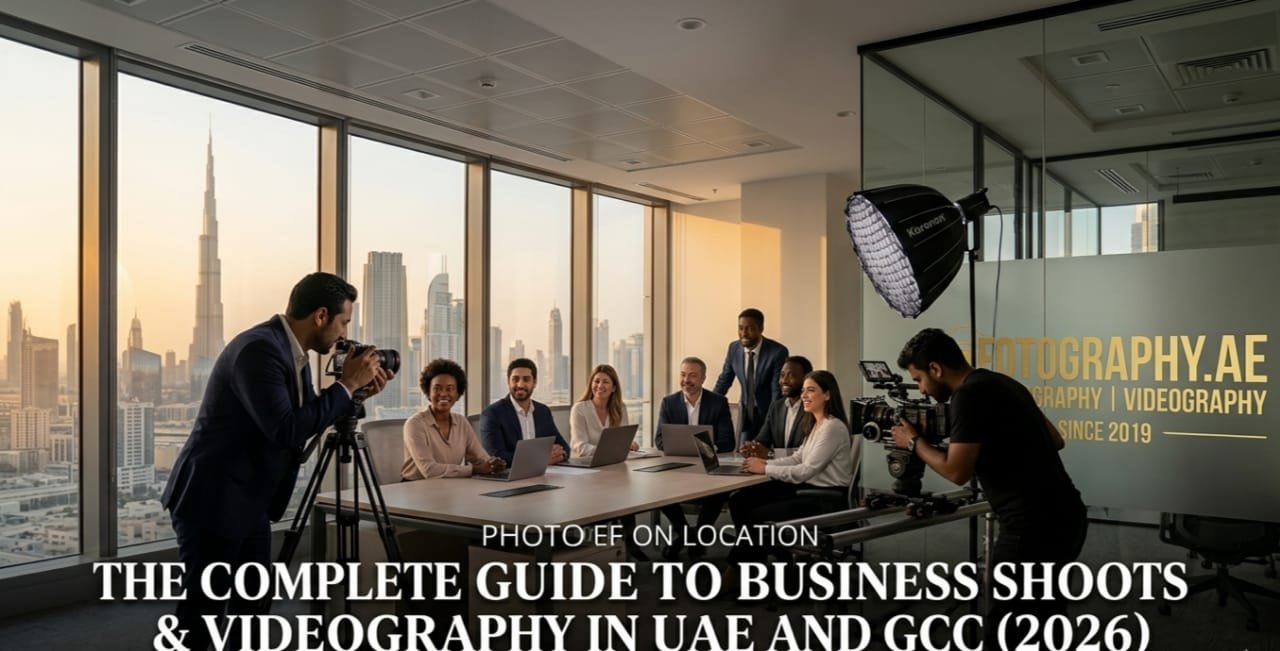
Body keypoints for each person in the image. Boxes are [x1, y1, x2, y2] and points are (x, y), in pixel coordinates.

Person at [161, 272, 391, 651]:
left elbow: (310, 419)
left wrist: (357, 394)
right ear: (320, 315)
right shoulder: (260, 350)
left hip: (248, 500)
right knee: (201, 618)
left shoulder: (292, 353)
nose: (344, 334)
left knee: (250, 609)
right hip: (214, 500)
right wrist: (345, 386)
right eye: (343, 321)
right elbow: (285, 429)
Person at [889, 328, 1086, 646]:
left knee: (1007, 630)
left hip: (1030, 526)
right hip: (1067, 517)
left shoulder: (968, 395)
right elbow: (1055, 440)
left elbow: (956, 471)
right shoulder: (1002, 382)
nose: (921, 390)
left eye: (918, 379)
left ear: (936, 369)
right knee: (1044, 622)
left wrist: (914, 442)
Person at [732, 370, 856, 562]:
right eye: (804, 390)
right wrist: (765, 462)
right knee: (739, 500)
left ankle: (746, 564)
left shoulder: (833, 427)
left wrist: (765, 469)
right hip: (806, 488)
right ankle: (764, 556)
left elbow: (805, 471)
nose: (804, 395)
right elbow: (798, 458)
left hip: (823, 497)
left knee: (755, 517)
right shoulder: (817, 424)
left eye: (811, 390)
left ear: (827, 395)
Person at [656, 356, 735, 559]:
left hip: (709, 466)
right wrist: (684, 448)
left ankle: (699, 535)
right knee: (658, 491)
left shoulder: (718, 402)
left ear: (703, 379)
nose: (686, 380)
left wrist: (702, 448)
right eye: (683, 375)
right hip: (678, 466)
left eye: (692, 375)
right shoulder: (669, 402)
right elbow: (659, 440)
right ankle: (686, 534)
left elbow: (728, 442)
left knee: (718, 492)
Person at [402, 359, 505, 479]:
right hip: (415, 489)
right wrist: (474, 469)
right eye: (437, 388)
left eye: (450, 389)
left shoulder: (461, 422)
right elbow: (429, 470)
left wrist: (492, 464)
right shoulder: (415, 424)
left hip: (450, 486)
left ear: (457, 394)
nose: (443, 394)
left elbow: (480, 458)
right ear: (428, 392)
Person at [713, 308, 789, 442]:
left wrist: (770, 423)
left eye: (749, 328)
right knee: (743, 454)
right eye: (741, 328)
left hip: (768, 413)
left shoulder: (777, 352)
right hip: (745, 414)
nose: (744, 333)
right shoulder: (734, 348)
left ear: (761, 328)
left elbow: (777, 392)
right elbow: (724, 381)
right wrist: (710, 406)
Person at [479, 358, 569, 466]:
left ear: (534, 382)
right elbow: (495, 455)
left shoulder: (543, 411)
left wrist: (561, 455)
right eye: (515, 379)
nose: (520, 385)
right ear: (508, 381)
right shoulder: (492, 413)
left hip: (544, 474)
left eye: (526, 379)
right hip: (510, 478)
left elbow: (564, 447)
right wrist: (538, 460)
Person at [740, 355, 813, 458]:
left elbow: (806, 453)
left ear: (806, 379)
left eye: (791, 376)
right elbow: (762, 441)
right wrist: (752, 447)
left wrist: (770, 454)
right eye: (782, 375)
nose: (784, 381)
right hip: (778, 471)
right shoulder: (776, 407)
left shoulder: (812, 409)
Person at [569, 364, 637, 458]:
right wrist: (610, 450)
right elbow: (580, 446)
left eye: (605, 382)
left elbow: (623, 440)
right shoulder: (579, 409)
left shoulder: (620, 408)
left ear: (614, 388)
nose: (600, 386)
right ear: (591, 385)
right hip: (585, 465)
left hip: (613, 463)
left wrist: (630, 444)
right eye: (596, 381)